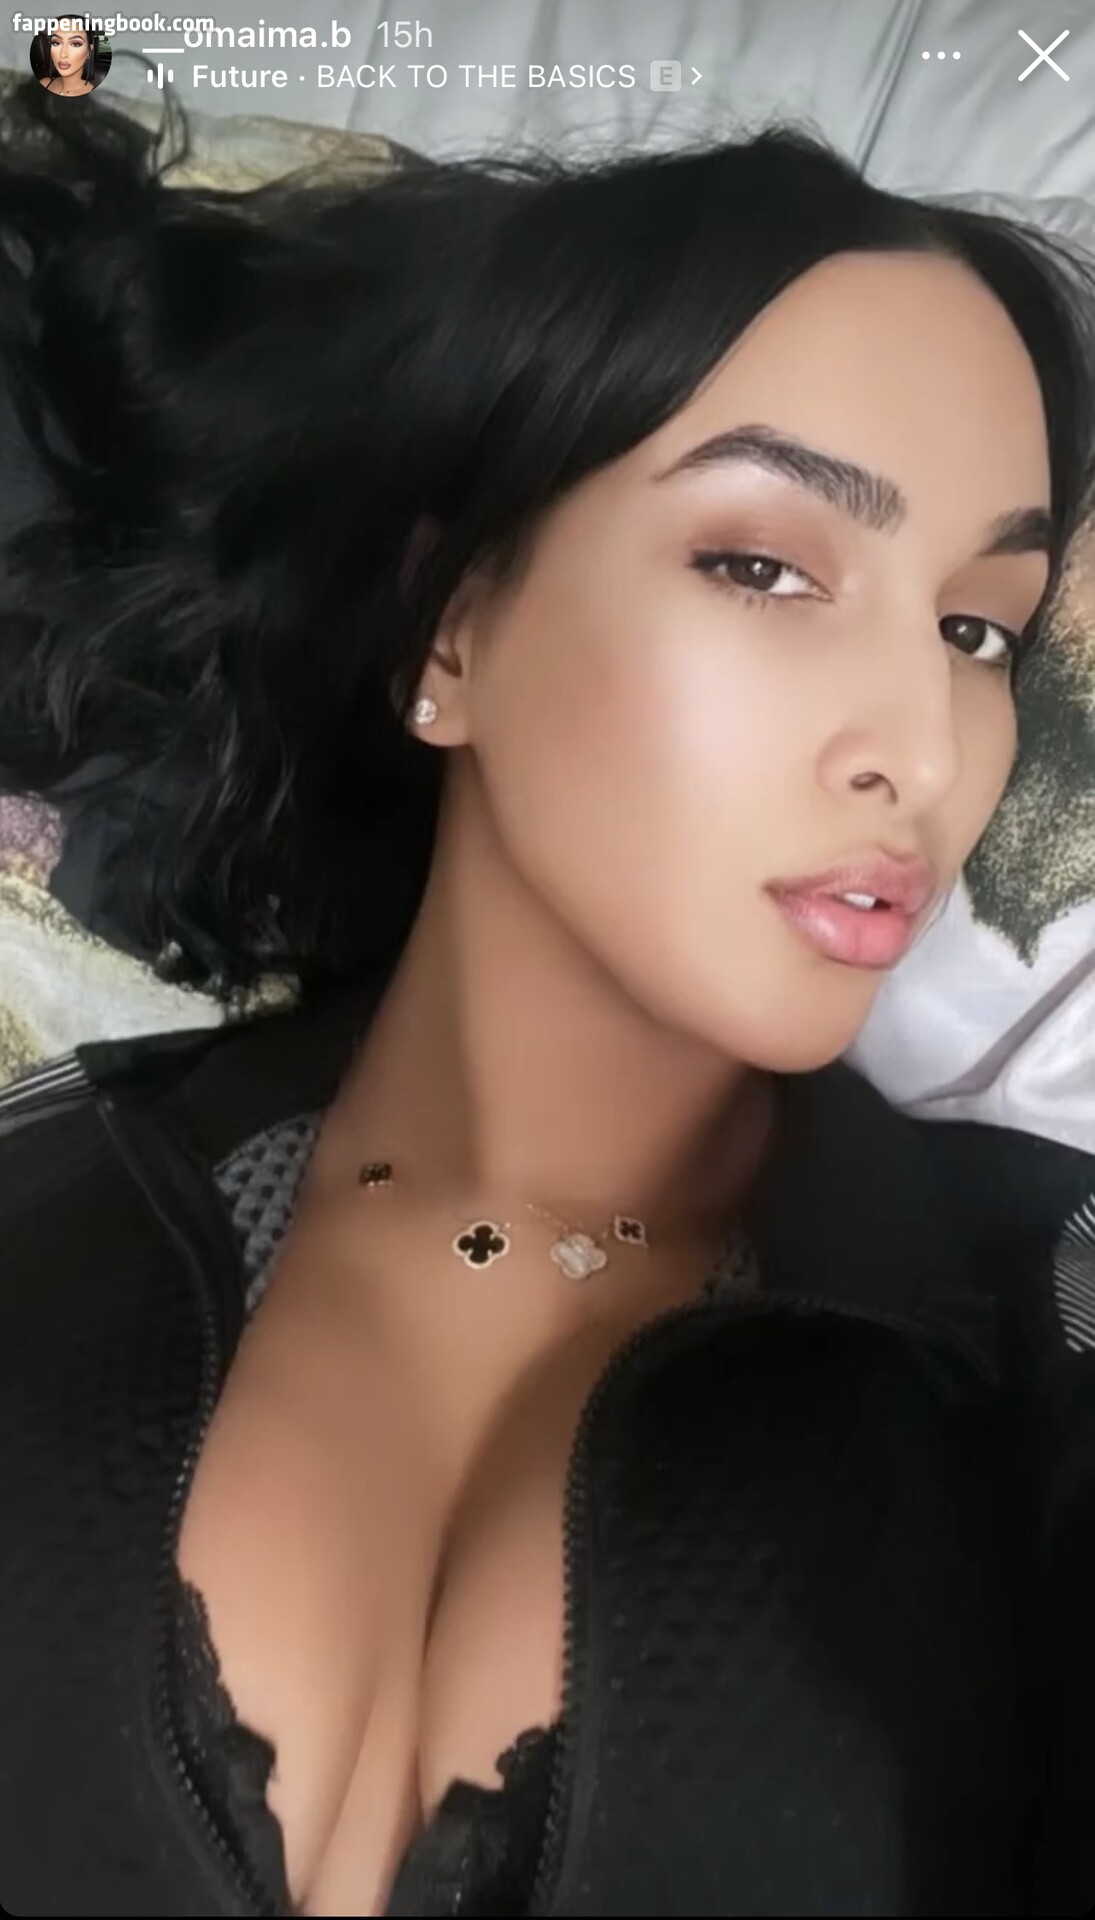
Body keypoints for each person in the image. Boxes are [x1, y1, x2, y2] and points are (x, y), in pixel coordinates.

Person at [0, 75, 1093, 1919]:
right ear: (450, 631)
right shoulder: (45, 1212)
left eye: (973, 628)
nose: (922, 747)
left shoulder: (1037, 1317)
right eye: (764, 566)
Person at [34, 15, 99, 98]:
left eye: (75, 44)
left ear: (89, 51)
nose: (63, 54)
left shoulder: (97, 98)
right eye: (56, 43)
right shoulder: (44, 83)